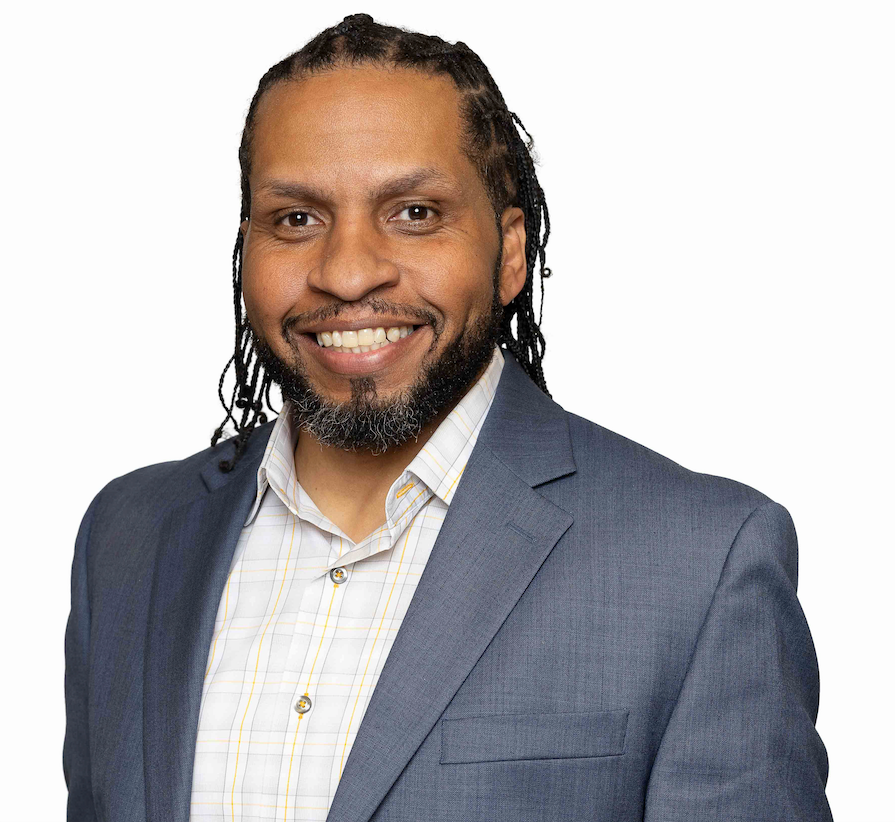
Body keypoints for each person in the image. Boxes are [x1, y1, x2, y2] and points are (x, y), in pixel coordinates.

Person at [63, 13, 833, 822]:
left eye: (415, 212)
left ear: (509, 254)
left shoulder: (699, 558)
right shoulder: (127, 536)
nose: (348, 271)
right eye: (296, 218)